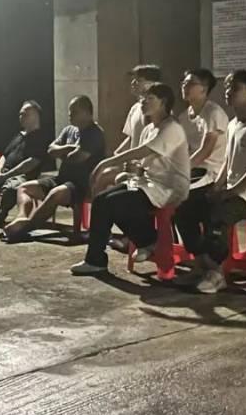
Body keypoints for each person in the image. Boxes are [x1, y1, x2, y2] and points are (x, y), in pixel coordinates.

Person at [172, 70, 246, 293]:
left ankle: (217, 273)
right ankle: (202, 264)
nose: (228, 92)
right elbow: (227, 162)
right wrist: (218, 186)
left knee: (217, 215)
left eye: (234, 88)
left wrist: (231, 192)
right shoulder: (233, 124)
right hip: (232, 189)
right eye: (227, 87)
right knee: (184, 209)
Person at [70, 83, 189, 276]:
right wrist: (136, 168)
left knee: (114, 203)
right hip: (148, 183)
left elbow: (143, 151)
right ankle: (99, 259)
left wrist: (105, 163)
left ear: (163, 102)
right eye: (143, 98)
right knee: (101, 200)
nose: (143, 102)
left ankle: (147, 240)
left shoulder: (171, 128)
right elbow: (146, 161)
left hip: (168, 188)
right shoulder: (149, 129)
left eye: (149, 99)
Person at [2, 95, 105, 242]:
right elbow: (50, 150)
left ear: (87, 112)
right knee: (24, 188)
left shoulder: (94, 133)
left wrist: (61, 153)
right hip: (61, 178)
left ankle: (25, 228)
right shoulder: (69, 130)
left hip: (81, 184)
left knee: (55, 194)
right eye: (69, 111)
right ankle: (22, 217)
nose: (69, 115)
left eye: (74, 111)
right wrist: (69, 148)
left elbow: (77, 158)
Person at [91, 64, 162, 251]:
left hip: (147, 172)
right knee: (103, 178)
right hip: (132, 166)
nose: (133, 83)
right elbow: (130, 138)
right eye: (133, 79)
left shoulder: (157, 110)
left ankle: (136, 237)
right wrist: (115, 157)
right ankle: (104, 231)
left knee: (117, 187)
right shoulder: (135, 108)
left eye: (139, 80)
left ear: (152, 84)